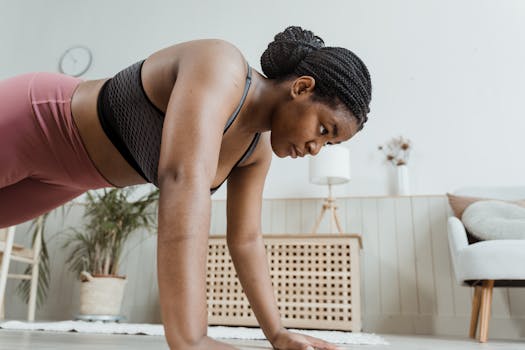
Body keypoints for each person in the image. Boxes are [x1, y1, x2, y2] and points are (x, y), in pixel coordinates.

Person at [0, 26, 372, 349]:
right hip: (39, 118)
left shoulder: (255, 151)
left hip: (71, 178)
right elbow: (182, 180)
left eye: (328, 144)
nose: (315, 148)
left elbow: (245, 240)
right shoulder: (221, 65)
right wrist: (191, 338)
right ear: (302, 88)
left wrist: (276, 333)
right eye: (324, 130)